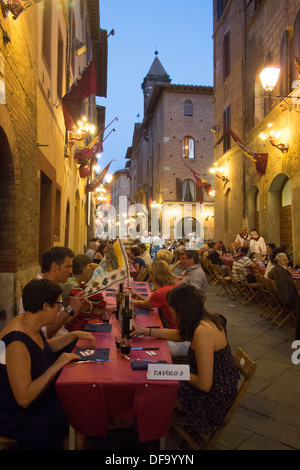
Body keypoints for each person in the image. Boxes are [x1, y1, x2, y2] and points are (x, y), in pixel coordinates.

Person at [131, 283, 239, 436]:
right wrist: (146, 331)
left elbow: (204, 384)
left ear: (181, 308)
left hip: (213, 398)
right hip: (212, 383)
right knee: (155, 374)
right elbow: (181, 335)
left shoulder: (203, 332)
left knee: (156, 387)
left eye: (171, 307)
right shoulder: (201, 319)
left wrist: (173, 371)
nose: (170, 310)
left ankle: (151, 433)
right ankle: (150, 427)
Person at [0, 278, 95, 449]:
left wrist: (72, 336)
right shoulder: (16, 342)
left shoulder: (28, 321)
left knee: (78, 400)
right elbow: (24, 399)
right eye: (58, 305)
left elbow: (41, 348)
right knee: (77, 411)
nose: (60, 310)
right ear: (45, 306)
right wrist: (57, 364)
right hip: (19, 416)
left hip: (38, 400)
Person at [19, 246, 91, 339]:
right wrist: (69, 309)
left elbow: (62, 321)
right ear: (54, 267)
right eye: (68, 267)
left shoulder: (53, 288)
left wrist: (78, 308)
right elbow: (43, 335)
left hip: (62, 339)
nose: (71, 271)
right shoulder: (37, 292)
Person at [268, 252, 300, 339]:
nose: (287, 262)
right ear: (278, 260)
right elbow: (284, 288)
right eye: (284, 260)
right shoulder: (278, 271)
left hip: (281, 296)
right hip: (287, 298)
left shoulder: (278, 268)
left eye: (287, 260)